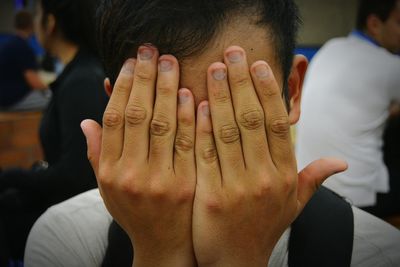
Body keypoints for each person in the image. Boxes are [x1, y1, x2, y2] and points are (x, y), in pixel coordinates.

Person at [25, 0, 400, 266]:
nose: (203, 146)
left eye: (236, 115)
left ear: (292, 92)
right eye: (166, 123)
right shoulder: (66, 241)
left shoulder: (376, 253)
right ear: (120, 112)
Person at [0, 0, 108, 264]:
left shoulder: (81, 80)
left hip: (70, 206)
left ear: (50, 23)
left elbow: (74, 175)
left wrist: (14, 176)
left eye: (38, 15)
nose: (36, 22)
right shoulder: (76, 73)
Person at [295, 0, 400, 213]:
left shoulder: (331, 47)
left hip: (310, 187)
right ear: (374, 24)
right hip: (361, 199)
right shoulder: (390, 66)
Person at [0, 10, 51, 111]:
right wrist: (53, 88)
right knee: (53, 102)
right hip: (12, 99)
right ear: (32, 25)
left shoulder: (8, 43)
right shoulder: (23, 47)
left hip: (4, 95)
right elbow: (33, 82)